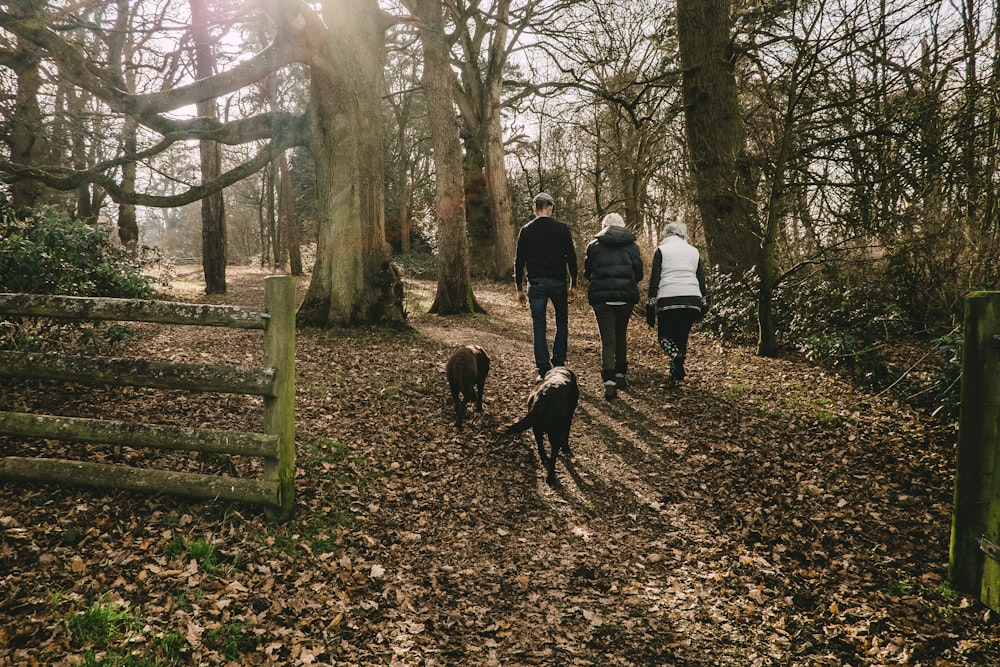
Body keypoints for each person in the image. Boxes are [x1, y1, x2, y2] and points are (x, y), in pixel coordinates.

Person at [514, 192, 578, 381]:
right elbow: (571, 257)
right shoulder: (562, 229)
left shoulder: (526, 230)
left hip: (535, 283)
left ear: (535, 208)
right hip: (558, 282)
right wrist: (574, 284)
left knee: (539, 325)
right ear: (550, 207)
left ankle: (543, 369)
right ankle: (558, 364)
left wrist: (518, 288)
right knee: (561, 322)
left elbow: (519, 261)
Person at [584, 212, 643, 400]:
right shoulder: (632, 247)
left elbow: (588, 272)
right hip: (625, 296)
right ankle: (620, 374)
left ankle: (608, 380)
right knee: (621, 335)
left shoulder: (593, 246)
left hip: (602, 298)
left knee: (607, 338)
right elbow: (638, 273)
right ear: (622, 226)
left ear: (604, 227)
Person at [646, 221, 708, 387]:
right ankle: (675, 376)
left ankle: (674, 355)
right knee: (682, 337)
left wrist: (651, 303)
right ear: (683, 235)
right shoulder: (693, 251)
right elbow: (701, 279)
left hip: (669, 299)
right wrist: (704, 301)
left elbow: (655, 279)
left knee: (664, 337)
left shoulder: (661, 250)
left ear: (666, 235)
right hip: (692, 299)